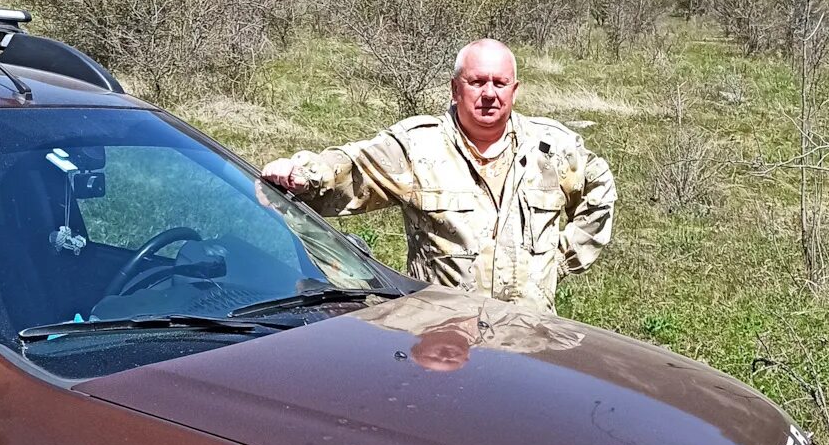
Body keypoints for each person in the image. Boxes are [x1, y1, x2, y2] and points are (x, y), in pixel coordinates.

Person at [261, 38, 615, 312]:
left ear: (514, 90)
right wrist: (302, 174)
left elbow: (599, 189)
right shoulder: (418, 147)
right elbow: (352, 167)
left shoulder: (551, 147)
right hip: (442, 343)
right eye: (477, 82)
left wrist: (558, 260)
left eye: (500, 83)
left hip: (530, 342)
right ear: (455, 88)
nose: (489, 93)